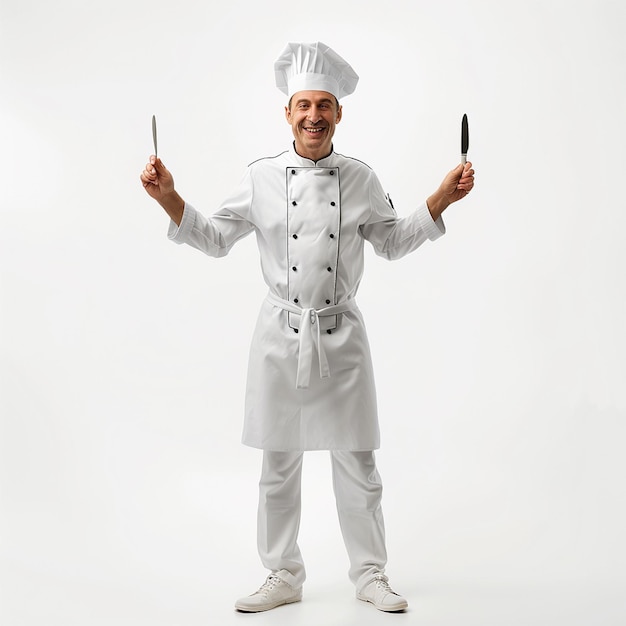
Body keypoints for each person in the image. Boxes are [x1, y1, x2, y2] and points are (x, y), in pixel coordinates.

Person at [140, 41, 474, 613]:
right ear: (287, 113)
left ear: (339, 113)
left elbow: (392, 242)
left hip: (341, 338)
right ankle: (282, 573)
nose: (314, 115)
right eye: (304, 105)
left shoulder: (362, 179)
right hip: (279, 338)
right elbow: (216, 238)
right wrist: (169, 197)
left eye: (324, 105)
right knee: (277, 466)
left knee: (358, 465)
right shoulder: (261, 177)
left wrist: (441, 197)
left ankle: (370, 574)